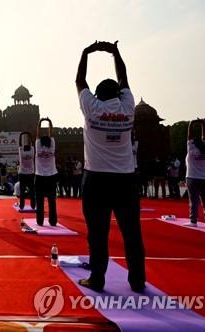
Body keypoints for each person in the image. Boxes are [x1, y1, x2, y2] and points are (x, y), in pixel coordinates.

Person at [75, 40, 145, 292]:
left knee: (97, 232)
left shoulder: (91, 108)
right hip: (126, 178)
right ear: (118, 94)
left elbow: (79, 80)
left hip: (97, 180)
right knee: (131, 233)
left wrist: (86, 53)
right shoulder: (127, 108)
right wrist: (115, 53)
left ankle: (98, 278)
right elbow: (124, 77)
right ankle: (137, 280)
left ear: (97, 95)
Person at [185, 119, 205, 227]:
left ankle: (193, 221)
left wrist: (191, 124)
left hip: (192, 177)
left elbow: (189, 136)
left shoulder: (191, 148)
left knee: (193, 201)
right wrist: (203, 124)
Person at [34, 118, 58, 226]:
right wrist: (49, 122)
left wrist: (39, 123)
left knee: (39, 201)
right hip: (51, 176)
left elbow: (38, 135)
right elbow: (51, 134)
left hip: (39, 176)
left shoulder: (38, 144)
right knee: (52, 201)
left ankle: (40, 221)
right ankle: (53, 221)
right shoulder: (52, 145)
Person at [18, 131, 36, 209]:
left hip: (22, 174)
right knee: (32, 190)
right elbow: (32, 143)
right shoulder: (32, 152)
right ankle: (33, 205)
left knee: (22, 191)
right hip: (31, 174)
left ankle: (22, 205)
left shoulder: (22, 153)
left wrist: (21, 135)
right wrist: (29, 135)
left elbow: (19, 144)